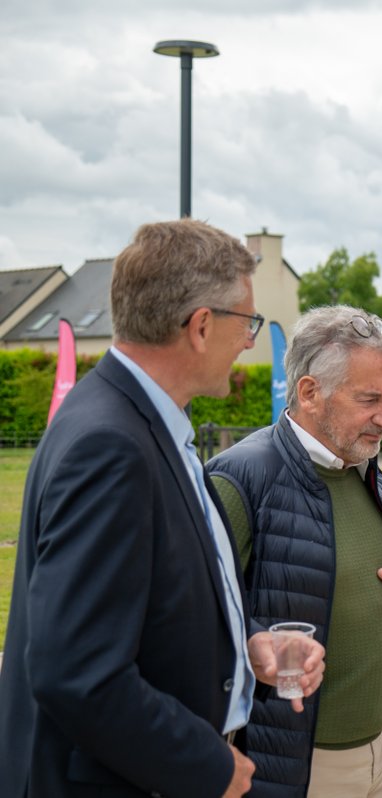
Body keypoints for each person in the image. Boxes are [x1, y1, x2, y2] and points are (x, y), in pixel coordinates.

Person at [0, 219, 324, 798]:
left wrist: (248, 645)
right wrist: (207, 763)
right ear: (201, 326)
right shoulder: (112, 445)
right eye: (246, 323)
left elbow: (154, 599)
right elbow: (76, 672)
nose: (250, 341)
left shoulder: (135, 422)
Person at [207, 306, 382, 797]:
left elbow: (358, 577)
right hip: (301, 762)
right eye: (370, 399)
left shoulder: (362, 465)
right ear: (310, 392)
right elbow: (196, 617)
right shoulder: (239, 478)